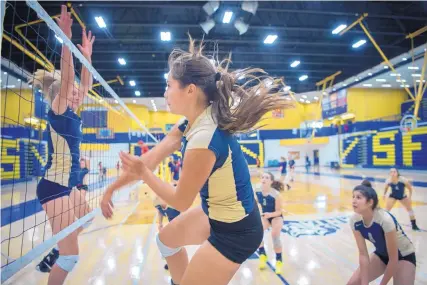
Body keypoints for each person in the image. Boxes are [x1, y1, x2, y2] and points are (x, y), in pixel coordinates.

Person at [100, 36, 293, 285]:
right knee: (165, 241)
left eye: (169, 85)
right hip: (215, 212)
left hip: (237, 232)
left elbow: (181, 200)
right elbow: (149, 159)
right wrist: (111, 189)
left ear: (190, 90)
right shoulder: (189, 123)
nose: (165, 91)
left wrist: (145, 175)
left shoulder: (204, 137)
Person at [30, 5, 94, 284]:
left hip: (67, 186)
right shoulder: (57, 110)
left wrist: (88, 57)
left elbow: (86, 84)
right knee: (71, 257)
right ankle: (57, 255)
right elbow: (68, 79)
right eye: (74, 92)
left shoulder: (74, 114)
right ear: (64, 94)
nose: (79, 94)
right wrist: (66, 39)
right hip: (53, 188)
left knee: (87, 218)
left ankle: (58, 248)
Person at [347, 180, 416, 285]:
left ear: (370, 202)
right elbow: (363, 254)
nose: (353, 201)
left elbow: (393, 259)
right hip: (382, 255)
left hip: (403, 255)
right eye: (353, 196)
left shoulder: (384, 220)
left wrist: (382, 284)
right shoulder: (354, 220)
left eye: (358, 197)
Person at [255, 172, 284, 274]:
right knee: (256, 232)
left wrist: (270, 215)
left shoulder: (275, 194)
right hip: (265, 216)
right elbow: (256, 202)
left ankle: (279, 261)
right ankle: (262, 254)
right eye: (262, 177)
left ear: (271, 181)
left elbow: (279, 211)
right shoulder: (257, 190)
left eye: (266, 178)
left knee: (275, 235)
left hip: (275, 217)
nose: (263, 179)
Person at [154, 196, 181, 270]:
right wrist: (160, 224)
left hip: (182, 224)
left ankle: (177, 263)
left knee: (174, 244)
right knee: (169, 243)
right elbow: (160, 212)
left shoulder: (173, 203)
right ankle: (172, 262)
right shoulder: (157, 203)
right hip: (173, 225)